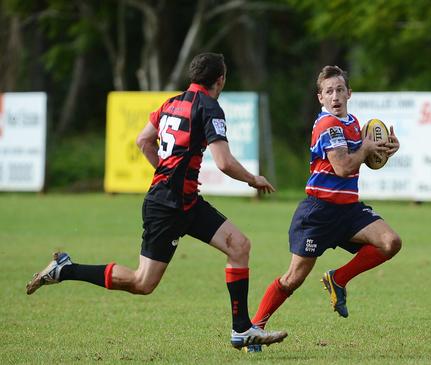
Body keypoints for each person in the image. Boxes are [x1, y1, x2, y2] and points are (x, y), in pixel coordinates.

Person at [25, 53, 288, 349]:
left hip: (185, 201)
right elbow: (224, 162)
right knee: (142, 283)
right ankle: (66, 269)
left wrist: (168, 172)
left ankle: (241, 329)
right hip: (167, 207)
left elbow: (142, 140)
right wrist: (253, 179)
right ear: (220, 79)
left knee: (239, 245)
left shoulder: (172, 103)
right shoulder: (209, 107)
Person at [249, 65, 401, 336]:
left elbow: (363, 161)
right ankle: (255, 328)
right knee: (293, 279)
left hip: (349, 210)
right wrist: (366, 148)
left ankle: (338, 279)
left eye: (340, 90)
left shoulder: (352, 123)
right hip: (318, 212)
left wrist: (384, 150)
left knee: (390, 242)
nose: (335, 96)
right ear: (320, 98)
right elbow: (343, 167)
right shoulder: (328, 125)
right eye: (329, 91)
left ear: (349, 93)